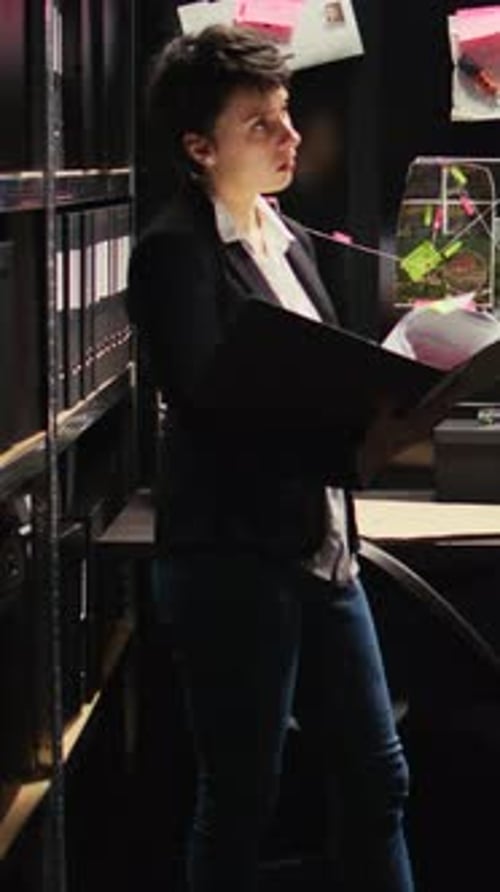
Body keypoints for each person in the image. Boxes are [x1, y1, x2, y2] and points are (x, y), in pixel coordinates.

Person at [127, 24, 415, 892]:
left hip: (321, 549)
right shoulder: (174, 252)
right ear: (200, 147)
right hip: (233, 559)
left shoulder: (284, 238)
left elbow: (312, 373)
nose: (291, 137)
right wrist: (348, 434)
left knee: (378, 777)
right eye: (263, 125)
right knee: (244, 795)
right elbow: (217, 408)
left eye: (287, 116)